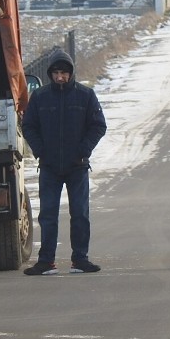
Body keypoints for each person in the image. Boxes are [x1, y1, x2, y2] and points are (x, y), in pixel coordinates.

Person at [22, 49, 107, 275]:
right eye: (56, 72)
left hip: (77, 167)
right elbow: (28, 126)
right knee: (48, 215)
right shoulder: (40, 97)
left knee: (79, 214)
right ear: (50, 74)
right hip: (49, 167)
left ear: (71, 73)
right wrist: (40, 151)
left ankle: (80, 259)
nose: (60, 77)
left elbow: (98, 125)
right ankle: (46, 261)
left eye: (65, 72)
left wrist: (83, 150)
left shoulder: (85, 95)